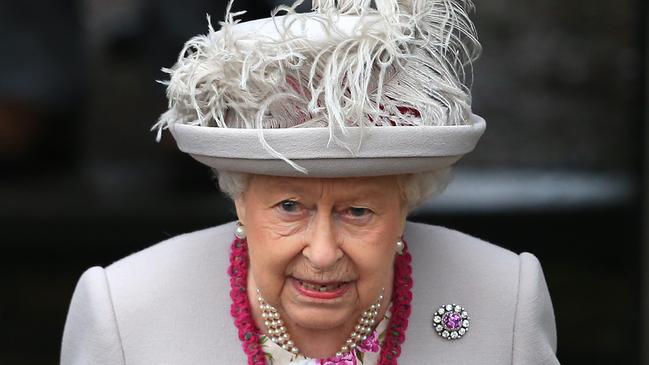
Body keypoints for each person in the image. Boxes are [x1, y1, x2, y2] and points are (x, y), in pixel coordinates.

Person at [61, 0, 560, 364]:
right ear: (239, 196)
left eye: (358, 212)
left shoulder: (504, 299)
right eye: (289, 207)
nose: (322, 253)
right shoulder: (124, 312)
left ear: (408, 200)